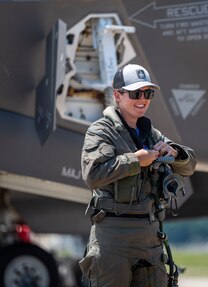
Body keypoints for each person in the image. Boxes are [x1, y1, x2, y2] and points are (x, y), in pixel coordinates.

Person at [79, 63, 197, 287]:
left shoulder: (152, 134)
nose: (142, 98)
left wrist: (175, 153)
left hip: (149, 237)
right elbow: (92, 174)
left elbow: (189, 166)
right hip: (113, 236)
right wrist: (135, 161)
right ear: (118, 95)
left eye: (147, 93)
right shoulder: (101, 132)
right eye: (135, 93)